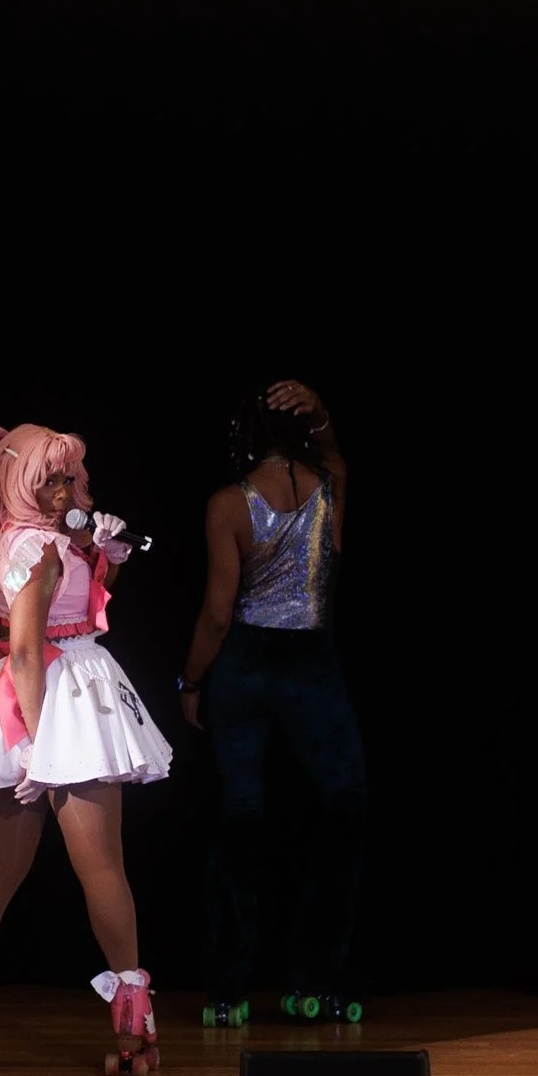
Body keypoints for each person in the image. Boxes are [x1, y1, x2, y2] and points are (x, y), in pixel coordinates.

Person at [0, 423, 172, 1075]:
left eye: (68, 478)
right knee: (101, 868)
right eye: (49, 480)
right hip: (55, 697)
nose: (63, 490)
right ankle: (131, 1016)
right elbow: (29, 648)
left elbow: (54, 619)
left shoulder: (26, 537)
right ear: (18, 483)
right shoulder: (42, 550)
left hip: (27, 691)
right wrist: (35, 747)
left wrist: (107, 553)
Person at [179, 379, 366, 1026]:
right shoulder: (331, 482)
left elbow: (216, 612)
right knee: (341, 808)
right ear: (301, 430)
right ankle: (319, 983)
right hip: (311, 661)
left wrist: (190, 683)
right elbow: (333, 452)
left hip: (248, 664)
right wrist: (321, 413)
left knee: (241, 819)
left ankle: (229, 992)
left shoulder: (227, 503)